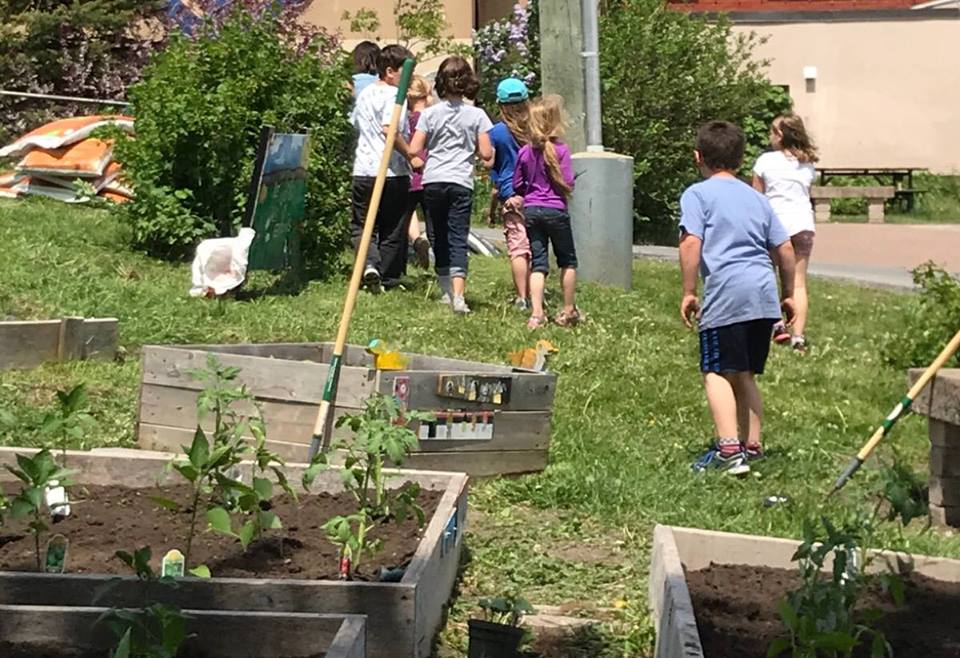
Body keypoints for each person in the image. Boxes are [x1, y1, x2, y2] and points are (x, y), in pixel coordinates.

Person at [679, 120, 797, 475]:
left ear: (698, 157)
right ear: (741, 158)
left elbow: (690, 243)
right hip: (762, 295)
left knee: (715, 370)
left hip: (727, 294)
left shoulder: (697, 195)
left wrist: (688, 291)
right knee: (744, 372)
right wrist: (788, 294)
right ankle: (752, 445)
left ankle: (728, 450)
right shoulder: (757, 198)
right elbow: (785, 248)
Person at [408, 56, 494, 314]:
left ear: (440, 83)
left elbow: (415, 148)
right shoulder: (477, 115)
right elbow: (486, 154)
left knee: (437, 234)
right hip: (460, 181)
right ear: (468, 82)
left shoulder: (430, 115)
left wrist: (416, 157)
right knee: (458, 236)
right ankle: (459, 296)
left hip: (433, 179)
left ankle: (445, 289)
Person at [350, 44, 421, 291]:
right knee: (392, 227)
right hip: (390, 170)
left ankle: (369, 265)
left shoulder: (366, 93)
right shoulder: (394, 96)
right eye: (406, 72)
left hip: (363, 169)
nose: (410, 77)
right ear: (390, 72)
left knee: (362, 225)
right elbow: (389, 128)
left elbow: (356, 123)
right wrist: (411, 154)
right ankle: (387, 276)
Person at [752, 113, 819, 354]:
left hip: (775, 225)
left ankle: (777, 324)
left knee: (769, 275)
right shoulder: (808, 163)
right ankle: (798, 337)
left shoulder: (765, 161)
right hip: (803, 225)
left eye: (772, 131)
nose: (769, 136)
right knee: (798, 283)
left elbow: (757, 197)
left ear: (780, 136)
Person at [511, 95, 579, 329]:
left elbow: (517, 184)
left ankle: (537, 313)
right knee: (567, 261)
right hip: (556, 210)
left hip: (531, 211)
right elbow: (568, 181)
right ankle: (568, 310)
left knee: (539, 263)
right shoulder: (561, 150)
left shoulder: (525, 152)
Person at [488, 78, 533, 311]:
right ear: (527, 101)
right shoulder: (537, 128)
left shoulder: (496, 132)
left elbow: (491, 163)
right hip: (538, 195)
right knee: (536, 246)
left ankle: (522, 298)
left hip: (511, 195)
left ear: (500, 104)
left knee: (518, 248)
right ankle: (538, 292)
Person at [404, 75, 434, 271]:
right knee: (435, 222)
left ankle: (415, 240)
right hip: (432, 176)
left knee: (405, 216)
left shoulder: (406, 122)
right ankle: (442, 265)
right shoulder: (435, 119)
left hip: (409, 176)